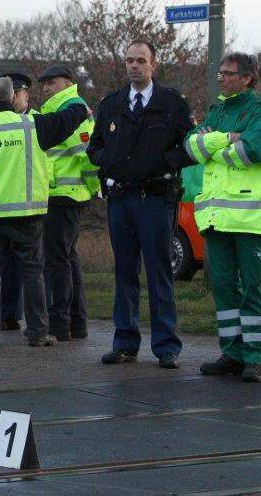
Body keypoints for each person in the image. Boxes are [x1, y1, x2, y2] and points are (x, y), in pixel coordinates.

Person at [0, 76, 82, 347]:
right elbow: (68, 120)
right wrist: (80, 105)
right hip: (27, 217)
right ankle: (38, 333)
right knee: (33, 273)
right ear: (13, 99)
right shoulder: (34, 125)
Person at [87, 41, 194, 369]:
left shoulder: (171, 104)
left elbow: (189, 145)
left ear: (153, 65)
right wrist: (112, 163)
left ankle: (165, 346)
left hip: (155, 199)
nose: (134, 66)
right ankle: (124, 342)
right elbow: (95, 148)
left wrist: (164, 162)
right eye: (130, 60)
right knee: (124, 272)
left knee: (160, 272)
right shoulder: (111, 105)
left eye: (141, 61)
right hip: (121, 200)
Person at [188, 53, 261, 383]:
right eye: (220, 73)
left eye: (228, 74)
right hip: (217, 219)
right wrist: (228, 139)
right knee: (225, 289)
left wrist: (215, 149)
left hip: (250, 220)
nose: (222, 78)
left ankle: (254, 358)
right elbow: (192, 147)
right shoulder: (217, 111)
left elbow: (255, 150)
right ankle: (231, 353)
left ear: (247, 78)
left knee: (252, 290)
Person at [35, 64, 96, 341]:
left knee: (57, 261)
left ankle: (60, 324)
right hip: (66, 194)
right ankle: (76, 322)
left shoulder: (69, 109)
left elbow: (86, 155)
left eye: (52, 82)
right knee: (68, 259)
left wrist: (92, 188)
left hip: (62, 194)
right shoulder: (62, 109)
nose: (46, 87)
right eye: (44, 83)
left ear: (67, 83)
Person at [0, 71, 33, 331]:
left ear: (25, 96)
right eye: (8, 93)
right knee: (6, 266)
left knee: (33, 268)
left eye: (16, 93)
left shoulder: (37, 123)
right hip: (0, 206)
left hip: (32, 206)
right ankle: (8, 314)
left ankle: (36, 321)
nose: (12, 98)